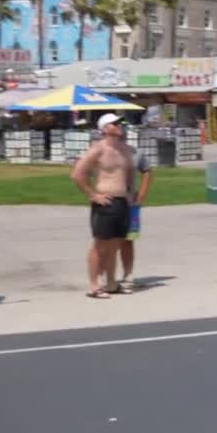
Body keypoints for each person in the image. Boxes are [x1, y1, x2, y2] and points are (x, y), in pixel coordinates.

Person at [71, 114, 135, 299]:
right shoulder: (98, 149)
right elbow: (77, 174)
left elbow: (129, 171)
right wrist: (93, 195)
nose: (119, 126)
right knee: (100, 245)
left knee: (115, 244)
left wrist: (130, 192)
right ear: (105, 128)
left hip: (122, 201)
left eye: (120, 123)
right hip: (105, 202)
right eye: (115, 124)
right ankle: (93, 285)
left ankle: (111, 282)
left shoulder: (124, 149)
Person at [117, 147, 152, 293]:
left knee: (129, 239)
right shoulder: (102, 150)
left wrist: (141, 195)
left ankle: (128, 276)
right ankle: (105, 278)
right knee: (108, 241)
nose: (120, 128)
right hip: (111, 202)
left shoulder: (135, 152)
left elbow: (147, 171)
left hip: (131, 203)